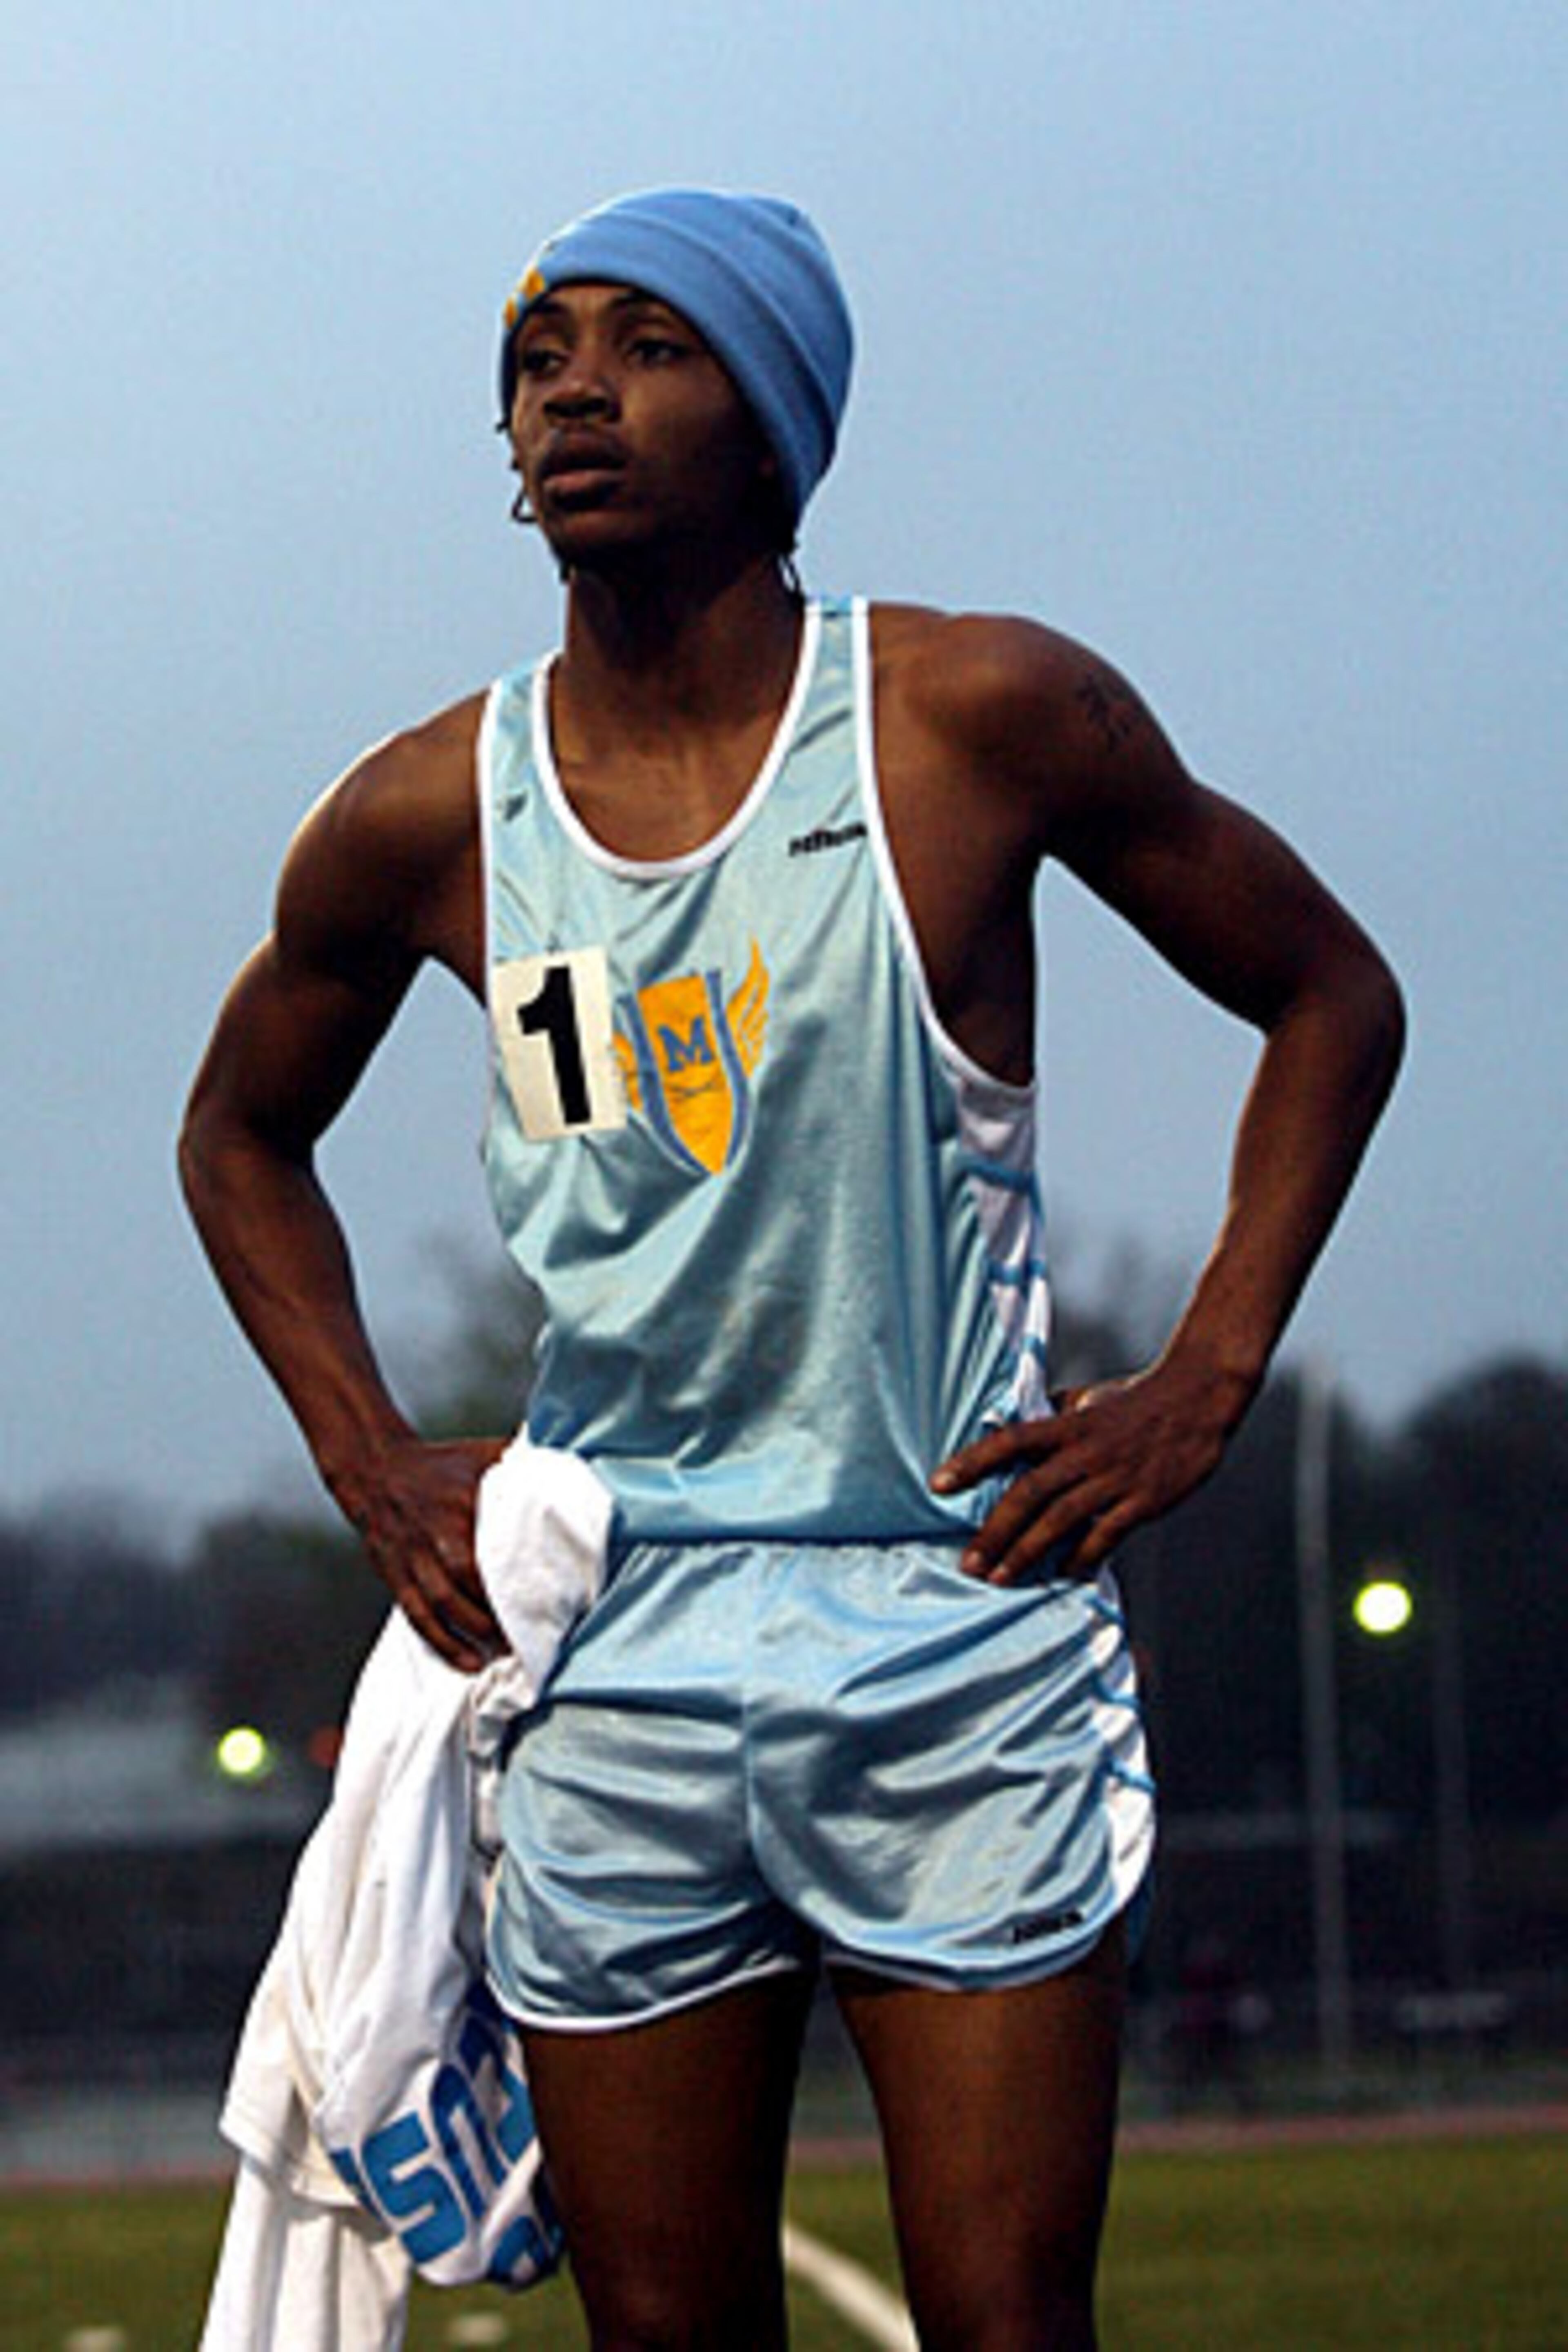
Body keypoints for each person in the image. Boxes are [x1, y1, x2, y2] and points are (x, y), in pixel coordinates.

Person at [180, 187, 1404, 2350]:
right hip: (613, 1651)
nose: (572, 392)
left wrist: (1207, 1377)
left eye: (647, 345)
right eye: (539, 357)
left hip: (956, 1618)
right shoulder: (429, 812)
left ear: (775, 419)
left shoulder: (972, 714)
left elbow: (1330, 996)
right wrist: (369, 1461)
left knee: (1006, 2323)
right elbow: (238, 1137)